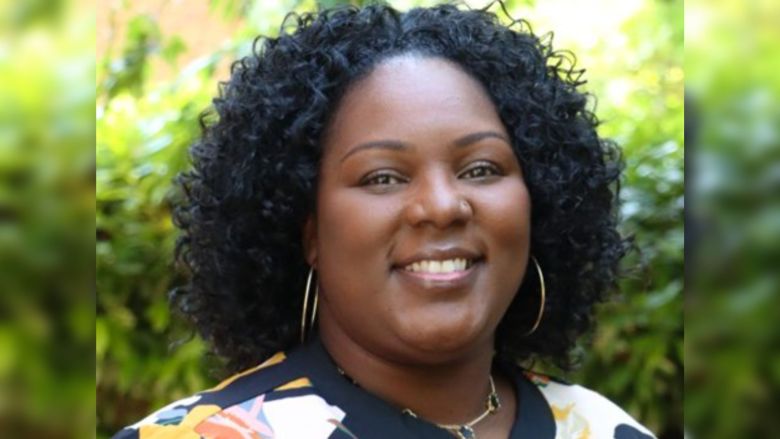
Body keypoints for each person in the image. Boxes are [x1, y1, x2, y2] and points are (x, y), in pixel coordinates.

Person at [113, 3, 655, 438]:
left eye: (481, 169)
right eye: (382, 177)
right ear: (309, 231)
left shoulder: (604, 428)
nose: (442, 206)